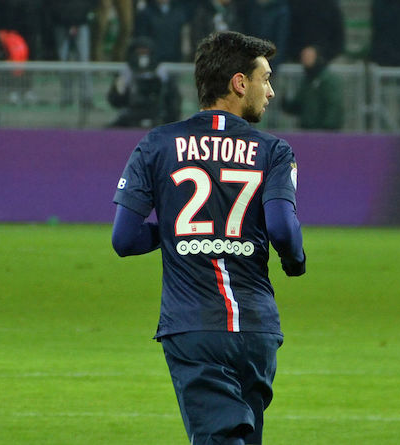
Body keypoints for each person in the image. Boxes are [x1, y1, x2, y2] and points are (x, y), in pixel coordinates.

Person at [112, 31, 305, 444]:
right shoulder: (273, 151)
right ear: (239, 82)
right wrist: (296, 261)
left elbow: (124, 239)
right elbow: (284, 230)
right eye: (264, 79)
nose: (269, 91)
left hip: (192, 325)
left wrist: (175, 233)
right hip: (256, 328)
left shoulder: (156, 145)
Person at [106, 36, 181, 127]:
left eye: (145, 52)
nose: (142, 56)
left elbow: (173, 98)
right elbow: (115, 100)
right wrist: (119, 90)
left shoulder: (161, 72)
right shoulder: (126, 72)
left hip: (157, 112)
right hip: (132, 113)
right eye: (139, 52)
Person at [282, 45, 344, 130]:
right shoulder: (306, 79)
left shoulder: (327, 79)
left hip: (323, 129)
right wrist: (286, 105)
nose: (305, 59)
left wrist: (329, 127)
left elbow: (333, 104)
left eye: (308, 56)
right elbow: (299, 105)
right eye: (303, 56)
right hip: (307, 128)